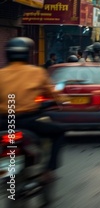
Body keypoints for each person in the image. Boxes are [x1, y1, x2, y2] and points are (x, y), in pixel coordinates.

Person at [0, 37, 66, 183]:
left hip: (4, 122)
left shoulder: (1, 74)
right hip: (28, 121)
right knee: (59, 131)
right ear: (26, 54)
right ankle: (49, 169)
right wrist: (60, 101)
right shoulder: (37, 72)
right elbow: (53, 94)